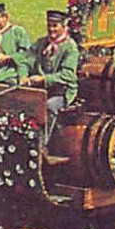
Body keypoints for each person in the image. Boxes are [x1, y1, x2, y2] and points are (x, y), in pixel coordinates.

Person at [23, 8, 81, 139]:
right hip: (41, 90)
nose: (51, 29)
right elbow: (26, 60)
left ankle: (42, 142)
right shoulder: (41, 43)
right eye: (49, 25)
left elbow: (67, 75)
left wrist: (44, 79)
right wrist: (23, 75)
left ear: (64, 26)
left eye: (55, 26)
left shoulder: (70, 47)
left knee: (49, 106)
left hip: (62, 92)